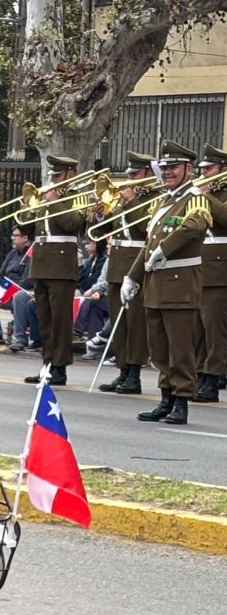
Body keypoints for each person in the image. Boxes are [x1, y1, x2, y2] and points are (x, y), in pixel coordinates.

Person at [124, 140, 210, 426]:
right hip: (155, 285)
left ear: (189, 170)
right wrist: (132, 277)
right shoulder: (164, 201)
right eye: (164, 168)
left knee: (180, 348)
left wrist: (165, 249)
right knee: (159, 348)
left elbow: (194, 226)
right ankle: (165, 398)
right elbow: (149, 246)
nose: (168, 172)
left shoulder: (195, 197)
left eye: (174, 167)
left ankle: (181, 401)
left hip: (180, 284)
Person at [18, 155, 88, 386]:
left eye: (58, 176)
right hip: (41, 264)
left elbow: (72, 224)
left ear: (70, 174)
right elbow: (27, 230)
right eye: (53, 176)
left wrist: (55, 201)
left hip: (61, 266)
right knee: (44, 320)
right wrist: (27, 210)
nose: (54, 180)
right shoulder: (45, 196)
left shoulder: (78, 196)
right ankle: (47, 364)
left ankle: (60, 367)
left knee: (60, 320)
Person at [97, 152, 153, 395]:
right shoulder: (123, 199)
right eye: (129, 174)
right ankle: (122, 370)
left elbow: (146, 228)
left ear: (148, 173)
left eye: (135, 174)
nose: (129, 179)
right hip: (117, 266)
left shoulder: (154, 197)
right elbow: (105, 230)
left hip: (135, 266)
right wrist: (100, 212)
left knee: (135, 324)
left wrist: (131, 202)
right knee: (119, 324)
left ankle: (134, 374)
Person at [194, 142, 227, 404]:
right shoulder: (201, 192)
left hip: (219, 271)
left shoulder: (219, 194)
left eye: (210, 169)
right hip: (197, 268)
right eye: (202, 169)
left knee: (215, 330)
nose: (204, 174)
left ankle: (212, 379)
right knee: (197, 329)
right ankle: (198, 374)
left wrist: (207, 197)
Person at [0, 222, 34, 350]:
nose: (12, 238)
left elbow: (27, 281)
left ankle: (20, 339)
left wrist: (8, 292)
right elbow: (1, 273)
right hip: (8, 288)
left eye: (15, 235)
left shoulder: (32, 255)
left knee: (19, 296)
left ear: (25, 238)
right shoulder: (12, 254)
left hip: (24, 291)